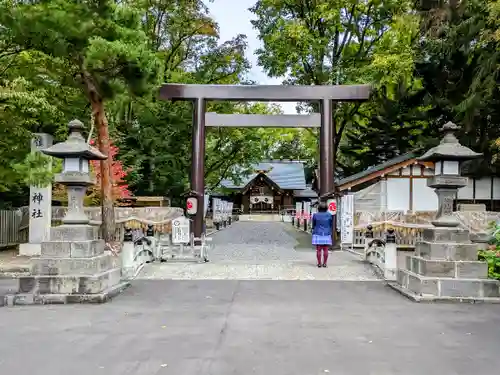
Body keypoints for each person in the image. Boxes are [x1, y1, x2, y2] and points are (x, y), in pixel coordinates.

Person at [311, 202, 333, 267]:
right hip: (326, 233)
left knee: (319, 249)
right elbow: (330, 224)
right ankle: (325, 263)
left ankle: (319, 263)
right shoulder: (329, 215)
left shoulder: (315, 215)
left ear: (319, 208)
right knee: (326, 249)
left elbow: (313, 225)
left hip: (318, 233)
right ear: (326, 208)